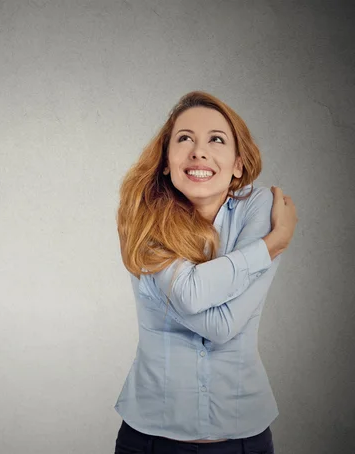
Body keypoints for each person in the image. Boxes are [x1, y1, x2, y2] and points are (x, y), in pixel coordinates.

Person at [113, 91, 298, 453]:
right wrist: (270, 246)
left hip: (244, 437)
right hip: (152, 439)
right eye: (185, 139)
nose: (199, 151)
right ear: (166, 161)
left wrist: (267, 241)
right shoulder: (144, 220)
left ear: (238, 164)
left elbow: (223, 326)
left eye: (216, 139)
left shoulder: (260, 207)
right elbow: (200, 304)